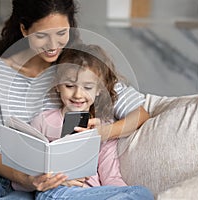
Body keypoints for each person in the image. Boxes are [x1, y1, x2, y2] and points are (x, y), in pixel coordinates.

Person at [0, 0, 151, 199]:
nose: (53, 46)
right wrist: (27, 178)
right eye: (42, 36)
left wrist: (105, 133)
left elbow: (140, 113)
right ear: (24, 29)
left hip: (48, 186)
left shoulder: (78, 66)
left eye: (62, 33)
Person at [26, 44, 153, 199]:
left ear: (99, 90)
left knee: (141, 193)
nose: (78, 94)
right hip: (57, 192)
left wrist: (123, 193)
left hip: (92, 194)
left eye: (87, 87)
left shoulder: (103, 128)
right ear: (58, 86)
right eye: (69, 85)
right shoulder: (42, 121)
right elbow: (25, 176)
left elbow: (111, 176)